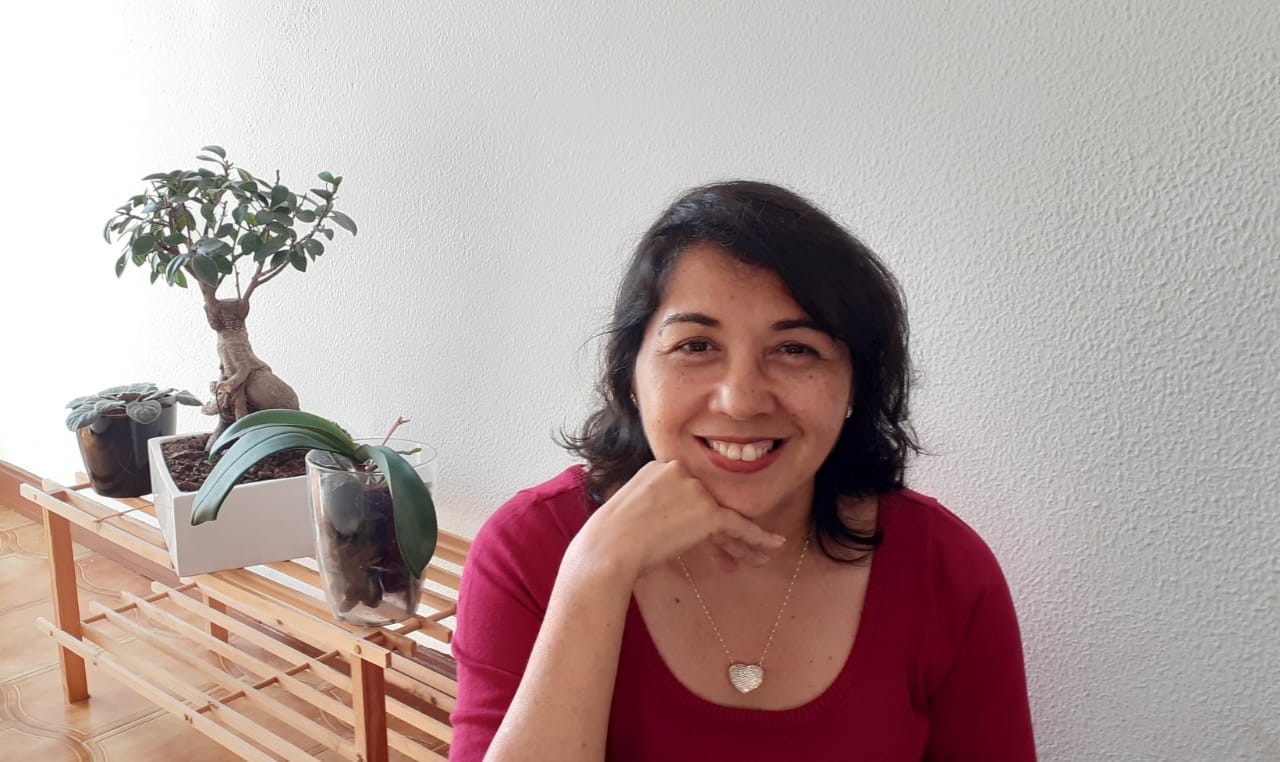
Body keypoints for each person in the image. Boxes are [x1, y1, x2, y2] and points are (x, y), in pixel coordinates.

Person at [449, 181, 1035, 761]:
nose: (741, 400)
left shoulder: (946, 572)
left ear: (856, 383)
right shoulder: (529, 550)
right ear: (631, 375)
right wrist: (595, 574)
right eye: (696, 346)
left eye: (795, 349)